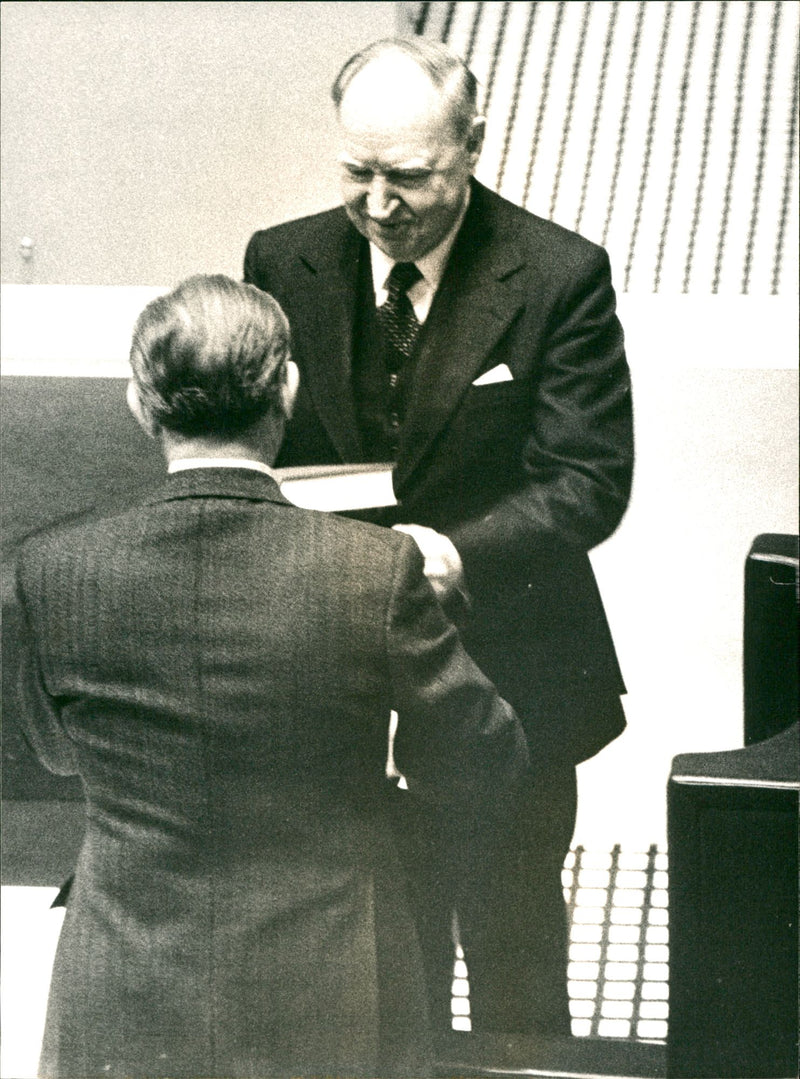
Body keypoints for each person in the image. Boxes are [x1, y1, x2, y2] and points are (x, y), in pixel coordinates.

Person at [15, 274, 528, 1079]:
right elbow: (483, 752)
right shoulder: (375, 570)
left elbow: (55, 750)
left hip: (123, 980)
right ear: (286, 387)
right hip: (333, 981)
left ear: (139, 402)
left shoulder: (51, 569)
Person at [243, 37, 634, 1037]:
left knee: (513, 961)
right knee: (372, 964)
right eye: (356, 172)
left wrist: (454, 552)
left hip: (510, 672)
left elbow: (586, 480)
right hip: (339, 683)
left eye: (408, 176)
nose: (377, 203)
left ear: (470, 148)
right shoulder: (279, 259)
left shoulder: (556, 277)